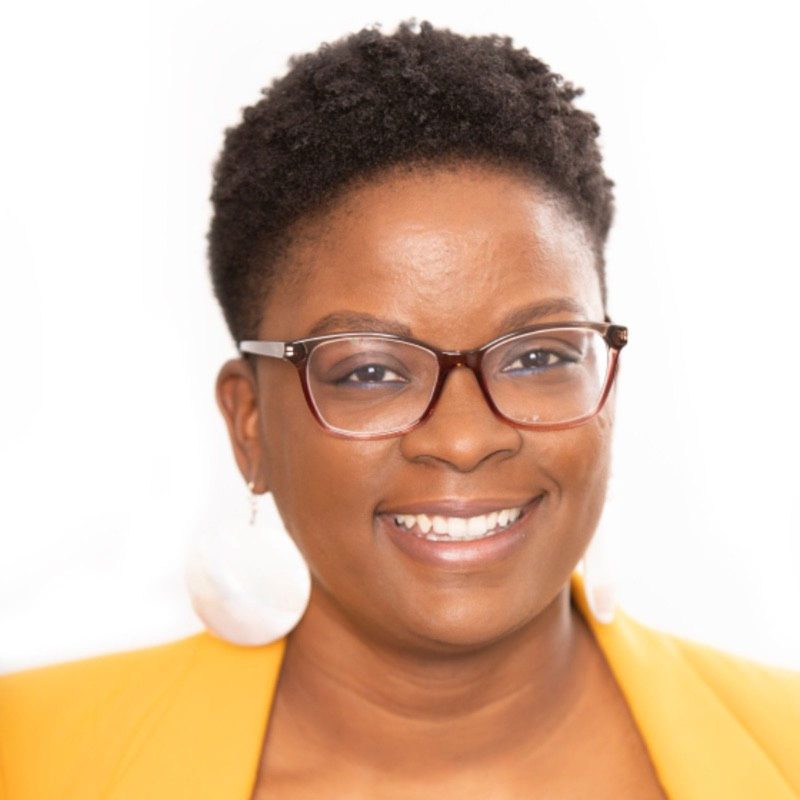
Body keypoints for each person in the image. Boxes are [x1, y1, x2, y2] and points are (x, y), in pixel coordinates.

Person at [1, 19, 798, 800]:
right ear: (250, 427)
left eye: (537, 357)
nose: (465, 439)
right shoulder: (27, 757)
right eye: (371, 371)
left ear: (606, 387)